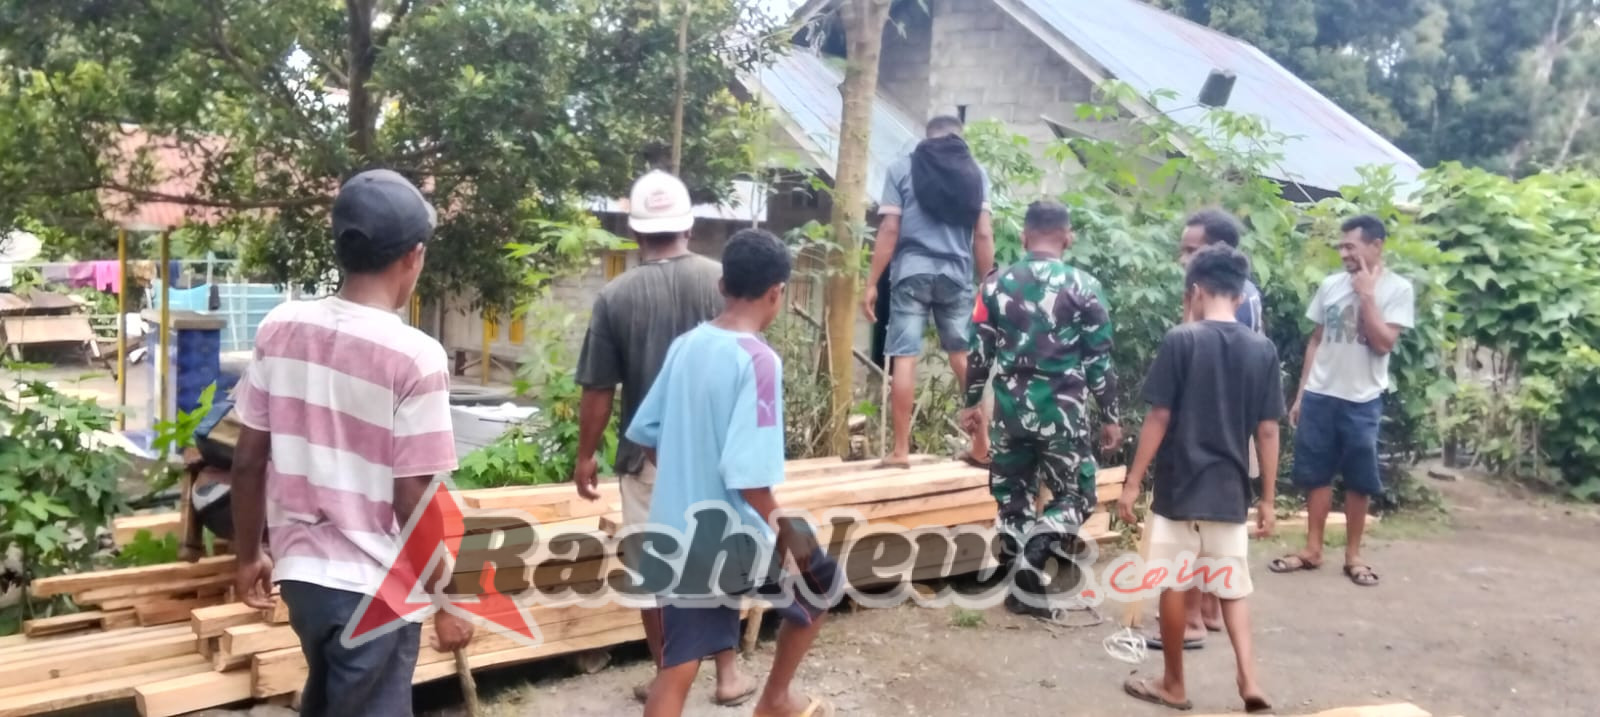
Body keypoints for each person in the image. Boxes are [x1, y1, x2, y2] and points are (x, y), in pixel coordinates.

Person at [229, 169, 474, 716]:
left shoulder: (280, 327)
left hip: (304, 585)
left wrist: (248, 555)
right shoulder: (415, 356)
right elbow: (411, 497)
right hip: (375, 590)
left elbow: (247, 461)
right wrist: (447, 601)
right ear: (414, 257)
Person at [626, 229, 840, 717]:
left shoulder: (685, 347)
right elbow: (746, 476)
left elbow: (645, 432)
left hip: (675, 530)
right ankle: (776, 700)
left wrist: (687, 474)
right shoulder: (758, 361)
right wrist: (786, 526)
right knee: (821, 582)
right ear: (777, 292)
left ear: (722, 284)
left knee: (677, 665)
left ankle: (777, 700)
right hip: (731, 536)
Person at [572, 170, 756, 705]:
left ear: (635, 233)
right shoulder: (723, 281)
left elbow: (599, 389)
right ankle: (726, 674)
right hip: (718, 453)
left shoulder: (615, 295)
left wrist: (586, 455)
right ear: (689, 226)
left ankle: (664, 673)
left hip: (647, 457)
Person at [1116, 244, 1280, 714]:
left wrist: (1132, 483)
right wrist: (1266, 498)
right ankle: (1248, 678)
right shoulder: (1261, 349)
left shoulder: (1181, 340)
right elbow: (1267, 430)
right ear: (1240, 292)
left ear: (1196, 290)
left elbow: (1159, 418)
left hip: (1179, 485)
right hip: (1230, 487)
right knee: (1233, 584)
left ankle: (1173, 685)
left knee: (1173, 581)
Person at [959, 200, 1120, 618]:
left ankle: (1020, 586)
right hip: (1062, 414)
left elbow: (978, 351)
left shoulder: (994, 286)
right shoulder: (1084, 287)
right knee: (1077, 494)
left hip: (1010, 413)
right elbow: (1098, 360)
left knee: (1012, 497)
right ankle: (1037, 550)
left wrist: (971, 402)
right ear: (1067, 237)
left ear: (1025, 236)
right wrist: (1110, 415)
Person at [1270, 215, 1415, 587]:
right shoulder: (1330, 285)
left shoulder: (1398, 289)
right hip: (1321, 394)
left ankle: (1353, 556)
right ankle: (1312, 550)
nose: (1343, 252)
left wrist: (1367, 294)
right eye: (1342, 245)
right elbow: (1317, 339)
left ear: (1376, 245)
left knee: (1359, 479)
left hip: (1362, 399)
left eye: (1351, 245)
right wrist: (1302, 393)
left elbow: (1384, 343)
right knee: (1314, 473)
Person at [1150, 208, 1266, 650]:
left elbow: (1198, 353)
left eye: (1192, 250)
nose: (1183, 258)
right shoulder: (1247, 294)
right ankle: (1213, 612)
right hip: (1237, 430)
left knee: (1193, 530)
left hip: (1209, 432)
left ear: (1219, 250)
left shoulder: (1216, 304)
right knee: (1219, 531)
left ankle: (1193, 619)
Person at [862, 115, 996, 469]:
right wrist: (988, 282)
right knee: (962, 357)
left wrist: (871, 282)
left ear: (928, 136)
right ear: (959, 138)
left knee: (905, 357)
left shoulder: (901, 169)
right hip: (955, 275)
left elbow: (890, 229)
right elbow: (983, 234)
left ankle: (901, 451)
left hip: (911, 273)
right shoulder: (976, 175)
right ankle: (982, 446)